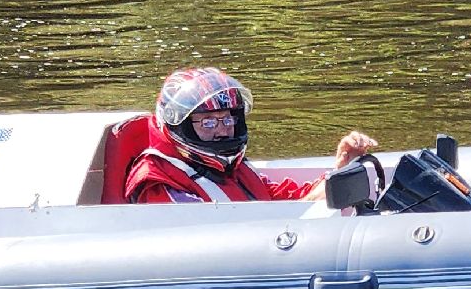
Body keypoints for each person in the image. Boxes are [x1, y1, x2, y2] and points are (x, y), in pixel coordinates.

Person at [123, 67, 378, 204]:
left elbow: (275, 197)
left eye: (227, 119)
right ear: (181, 125)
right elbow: (213, 234)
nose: (223, 130)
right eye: (209, 122)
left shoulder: (228, 166)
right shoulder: (157, 181)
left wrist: (340, 171)